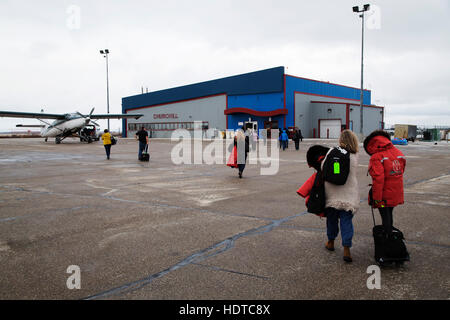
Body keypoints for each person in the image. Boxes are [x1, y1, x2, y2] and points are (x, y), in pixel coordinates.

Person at [322, 129, 360, 263]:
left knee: (332, 219)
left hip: (332, 191)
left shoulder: (332, 151)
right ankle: (346, 249)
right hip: (348, 193)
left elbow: (323, 167)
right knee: (346, 221)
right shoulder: (354, 155)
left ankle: (331, 242)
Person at [363, 130, 406, 235]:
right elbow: (401, 170)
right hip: (396, 192)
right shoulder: (398, 152)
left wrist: (377, 199)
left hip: (383, 195)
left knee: (385, 216)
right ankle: (390, 235)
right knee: (389, 214)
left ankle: (388, 240)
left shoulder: (377, 157)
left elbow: (378, 179)